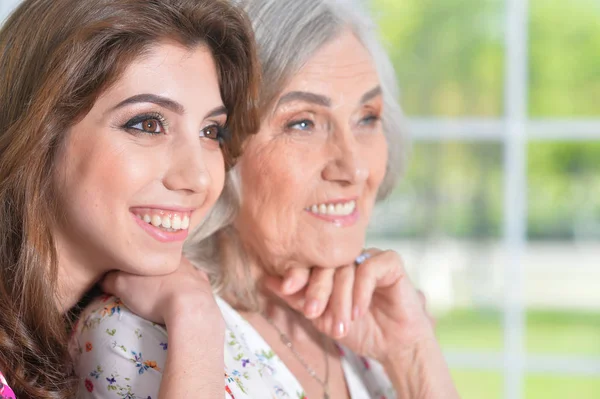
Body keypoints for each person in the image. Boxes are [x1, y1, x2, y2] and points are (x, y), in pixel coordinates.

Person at [73, 0, 459, 398]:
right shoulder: (134, 338)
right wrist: (194, 320)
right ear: (222, 146)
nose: (354, 168)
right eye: (302, 123)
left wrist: (413, 355)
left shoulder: (371, 327)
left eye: (367, 117)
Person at [0, 0, 259, 397]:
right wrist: (195, 321)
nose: (198, 177)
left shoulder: (99, 335)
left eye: (211, 132)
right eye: (149, 124)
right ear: (39, 133)